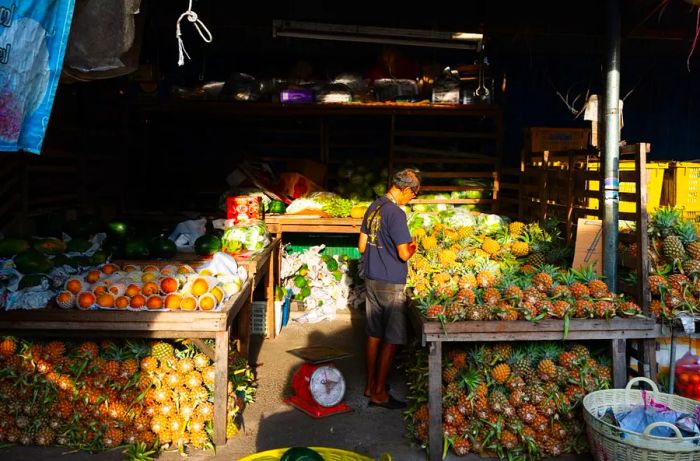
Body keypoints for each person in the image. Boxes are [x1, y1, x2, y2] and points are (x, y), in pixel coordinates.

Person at [358, 168, 420, 409]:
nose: (412, 199)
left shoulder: (373, 207)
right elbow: (404, 254)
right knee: (392, 339)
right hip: (391, 282)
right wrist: (414, 245)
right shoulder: (396, 213)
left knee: (374, 335)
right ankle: (379, 393)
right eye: (413, 194)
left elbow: (362, 246)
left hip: (372, 279)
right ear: (404, 189)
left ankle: (369, 385)